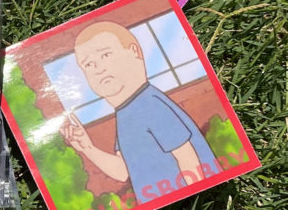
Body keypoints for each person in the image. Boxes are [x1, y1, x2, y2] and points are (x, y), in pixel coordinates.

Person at [61, 20, 216, 197]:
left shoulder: (149, 104)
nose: (98, 69)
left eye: (106, 55)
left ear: (134, 52)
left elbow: (187, 157)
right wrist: (88, 148)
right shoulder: (125, 113)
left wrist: (196, 197)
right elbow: (124, 171)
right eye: (88, 64)